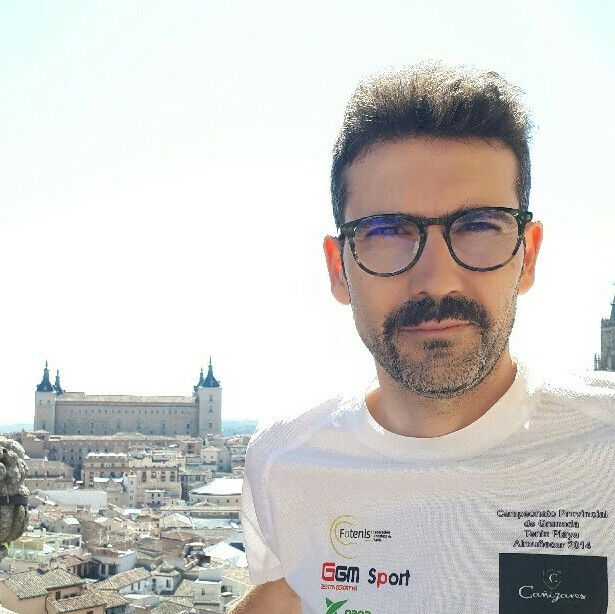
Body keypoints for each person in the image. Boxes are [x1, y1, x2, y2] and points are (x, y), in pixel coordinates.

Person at [233, 62, 615, 613]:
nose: (436, 280)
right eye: (387, 232)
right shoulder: (283, 462)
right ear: (339, 269)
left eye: (478, 226)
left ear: (527, 256)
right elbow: (289, 589)